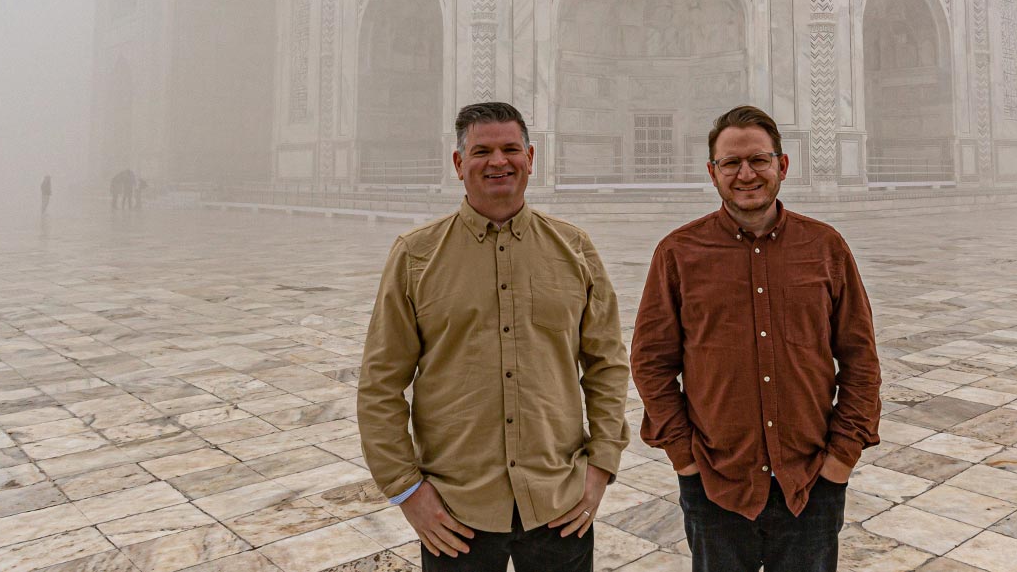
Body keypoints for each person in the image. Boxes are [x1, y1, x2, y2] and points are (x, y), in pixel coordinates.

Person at [358, 101, 629, 572]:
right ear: (459, 163)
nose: (498, 161)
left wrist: (601, 466)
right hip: (456, 510)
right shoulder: (416, 256)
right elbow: (380, 384)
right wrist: (406, 490)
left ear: (531, 157)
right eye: (482, 150)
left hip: (559, 504)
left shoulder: (574, 249)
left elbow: (607, 364)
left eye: (510, 149)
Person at [631, 105, 881, 572]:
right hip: (715, 484)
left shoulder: (825, 248)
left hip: (810, 485)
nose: (745, 173)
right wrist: (686, 460)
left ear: (782, 165)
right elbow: (651, 362)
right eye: (731, 163)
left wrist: (840, 461)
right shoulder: (679, 253)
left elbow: (860, 358)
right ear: (712, 172)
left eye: (758, 160)